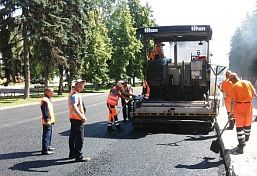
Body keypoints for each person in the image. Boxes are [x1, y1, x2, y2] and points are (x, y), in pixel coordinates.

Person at [229, 73, 257, 154]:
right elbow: (254, 95)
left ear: (234, 79)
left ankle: (241, 146)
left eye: (231, 81)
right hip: (248, 106)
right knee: (248, 123)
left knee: (239, 126)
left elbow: (232, 101)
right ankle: (247, 138)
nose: (231, 82)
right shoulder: (248, 82)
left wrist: (231, 112)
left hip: (239, 107)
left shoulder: (234, 87)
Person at [68, 80, 90, 162]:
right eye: (82, 86)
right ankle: (79, 156)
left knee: (73, 136)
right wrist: (81, 115)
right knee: (79, 138)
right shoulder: (75, 95)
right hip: (77, 119)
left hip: (73, 117)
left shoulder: (73, 93)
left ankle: (72, 154)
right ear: (78, 86)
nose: (83, 87)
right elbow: (74, 105)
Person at [40, 87, 56, 155]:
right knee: (46, 135)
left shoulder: (48, 99)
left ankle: (48, 146)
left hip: (50, 120)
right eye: (50, 91)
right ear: (46, 92)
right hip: (47, 120)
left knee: (49, 134)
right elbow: (45, 111)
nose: (52, 92)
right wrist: (47, 120)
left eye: (52, 91)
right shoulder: (45, 100)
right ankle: (45, 150)